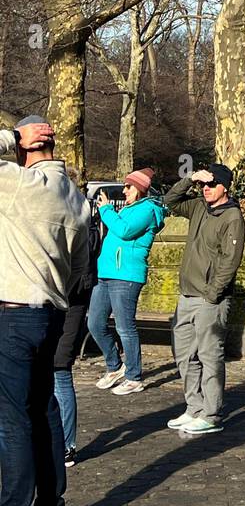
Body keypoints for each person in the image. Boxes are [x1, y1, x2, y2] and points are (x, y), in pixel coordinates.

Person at [0, 117, 89, 506]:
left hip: (13, 311)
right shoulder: (77, 199)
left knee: (12, 418)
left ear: (24, 146)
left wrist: (11, 138)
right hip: (52, 311)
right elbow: (76, 271)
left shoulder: (17, 183)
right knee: (44, 410)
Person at [163, 165, 245, 435]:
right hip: (187, 294)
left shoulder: (232, 218)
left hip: (210, 299)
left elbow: (229, 262)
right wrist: (190, 179)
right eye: (204, 185)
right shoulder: (198, 206)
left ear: (225, 187)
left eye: (212, 184)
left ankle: (211, 413)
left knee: (210, 356)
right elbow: (170, 201)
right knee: (184, 355)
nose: (206, 189)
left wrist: (212, 294)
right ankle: (194, 407)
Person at [87, 168, 165, 394]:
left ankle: (134, 376)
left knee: (125, 327)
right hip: (107, 273)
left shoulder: (148, 210)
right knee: (95, 323)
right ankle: (115, 366)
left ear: (139, 189)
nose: (124, 191)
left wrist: (107, 210)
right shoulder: (130, 209)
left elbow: (125, 230)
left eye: (129, 187)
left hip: (126, 275)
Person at [53, 180, 101, 465]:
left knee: (60, 369)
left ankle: (67, 443)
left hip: (71, 304)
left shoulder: (85, 227)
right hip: (53, 305)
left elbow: (80, 277)